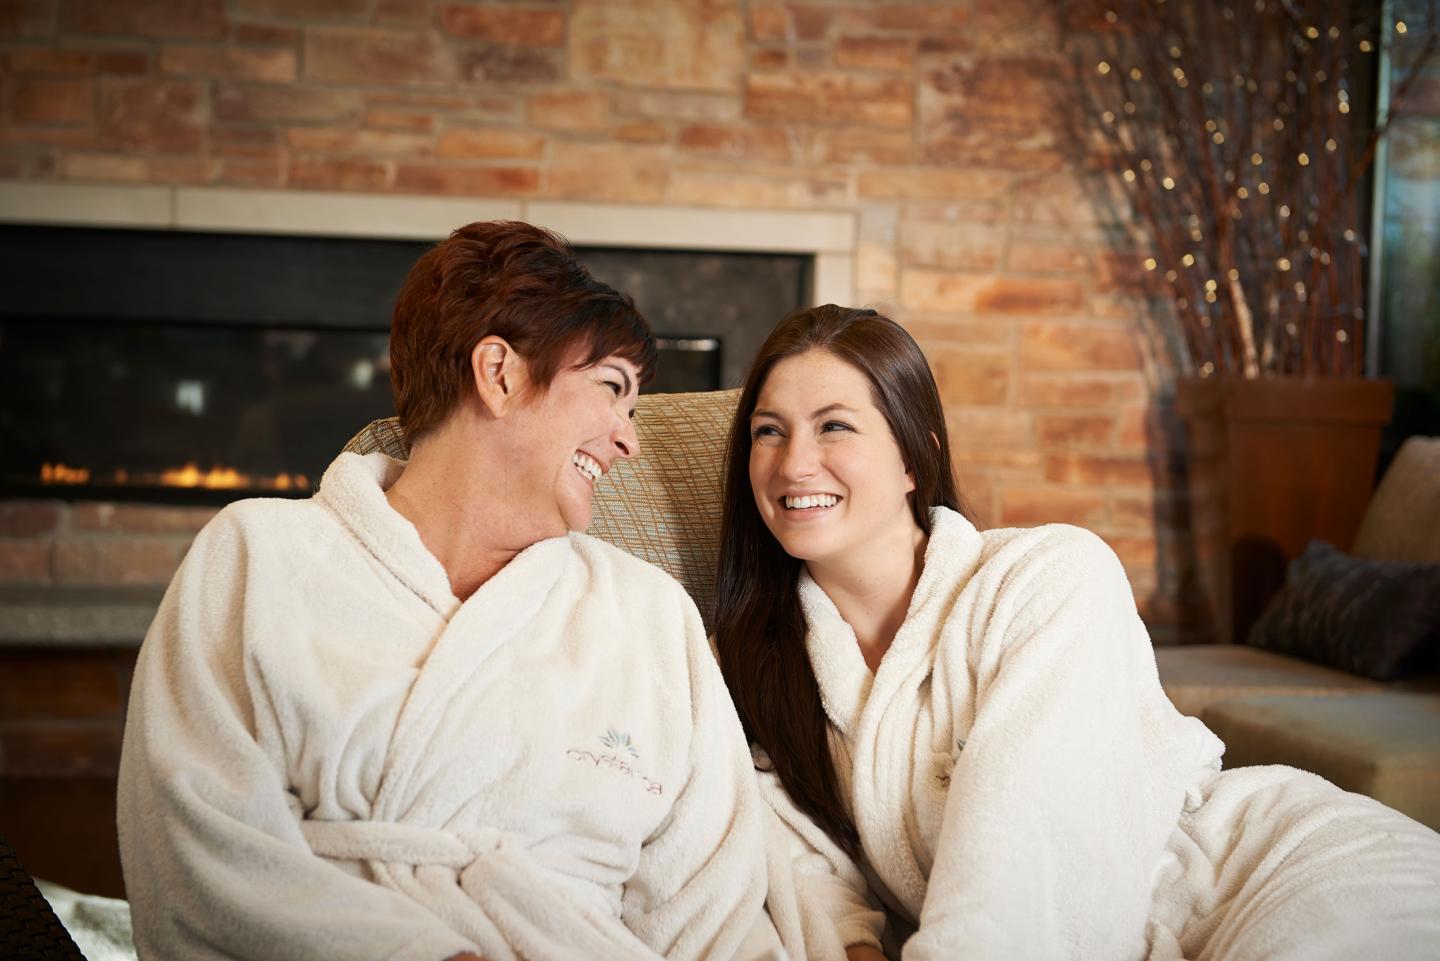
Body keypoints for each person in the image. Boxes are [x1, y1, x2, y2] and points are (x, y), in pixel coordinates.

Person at [118, 221, 768, 961]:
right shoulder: (259, 557)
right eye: (613, 390)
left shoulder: (649, 615)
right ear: (499, 373)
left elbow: (716, 908)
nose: (629, 439)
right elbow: (194, 845)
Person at [713, 304, 1440, 961]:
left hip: (1254, 876)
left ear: (913, 455)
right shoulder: (750, 666)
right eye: (768, 432)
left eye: (833, 425)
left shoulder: (1052, 577)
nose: (793, 462)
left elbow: (1023, 843)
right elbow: (800, 862)